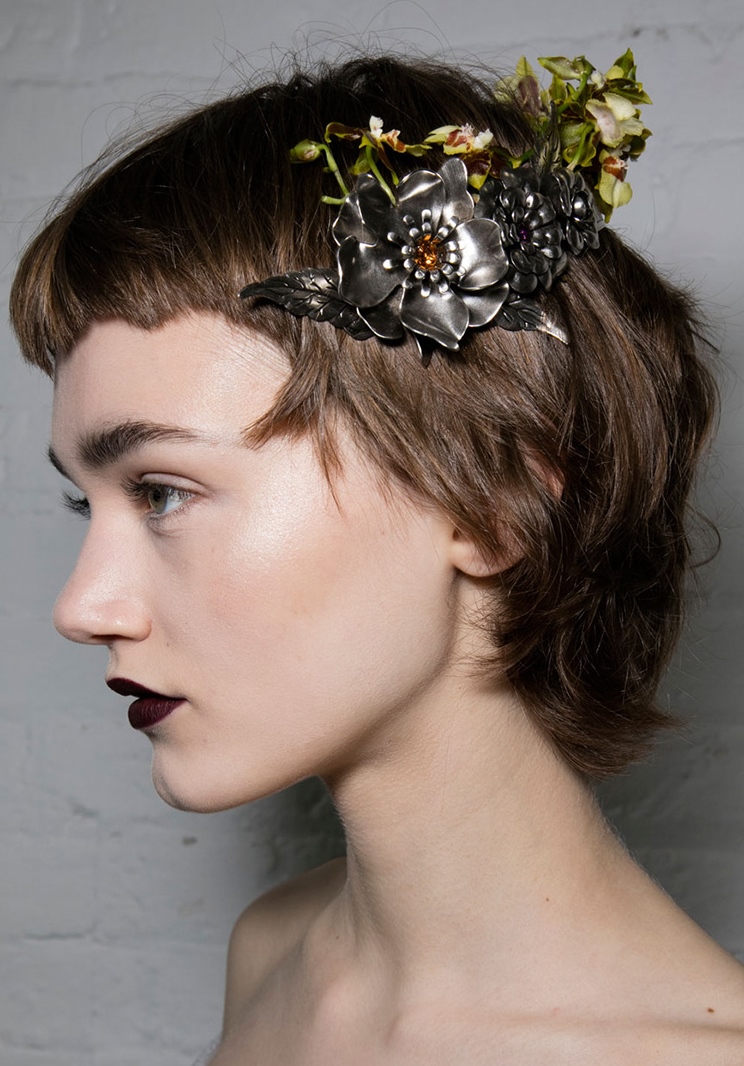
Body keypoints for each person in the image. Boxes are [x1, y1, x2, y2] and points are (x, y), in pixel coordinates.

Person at [9, 51, 744, 1065]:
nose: (83, 605)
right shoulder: (272, 955)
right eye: (82, 501)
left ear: (493, 497)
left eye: (162, 491)